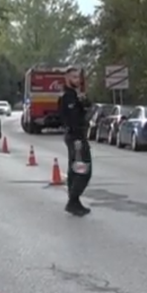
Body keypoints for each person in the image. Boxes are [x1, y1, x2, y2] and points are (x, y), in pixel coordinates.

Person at [58, 67, 91, 216]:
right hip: (76, 137)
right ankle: (73, 200)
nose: (77, 80)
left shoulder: (76, 96)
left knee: (75, 168)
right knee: (83, 169)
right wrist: (77, 137)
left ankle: (74, 201)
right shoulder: (68, 97)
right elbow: (70, 119)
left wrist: (84, 101)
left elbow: (86, 110)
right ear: (67, 79)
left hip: (78, 136)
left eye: (78, 77)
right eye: (74, 77)